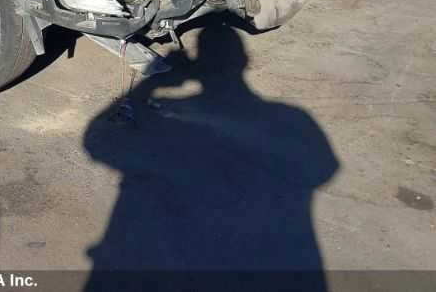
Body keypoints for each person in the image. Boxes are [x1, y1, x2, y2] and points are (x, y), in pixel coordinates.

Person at [83, 23, 338, 289]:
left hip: (153, 248)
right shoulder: (293, 118)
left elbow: (94, 144)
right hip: (271, 254)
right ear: (244, 61)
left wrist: (145, 88)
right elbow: (324, 169)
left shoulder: (173, 109)